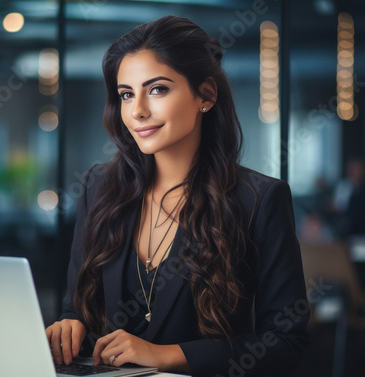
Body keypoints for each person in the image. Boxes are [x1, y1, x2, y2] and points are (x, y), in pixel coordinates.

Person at [46, 16, 309, 376]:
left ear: (206, 95)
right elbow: (74, 308)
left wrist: (166, 355)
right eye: (126, 94)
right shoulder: (100, 187)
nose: (137, 110)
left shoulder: (258, 200)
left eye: (157, 89)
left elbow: (287, 344)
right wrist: (68, 326)